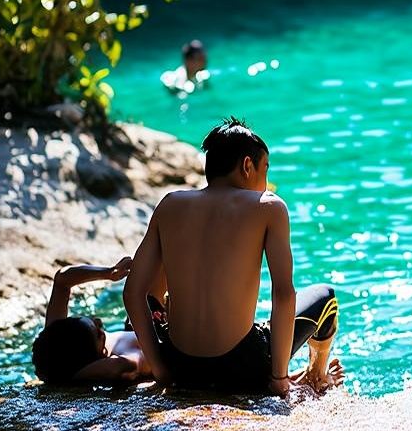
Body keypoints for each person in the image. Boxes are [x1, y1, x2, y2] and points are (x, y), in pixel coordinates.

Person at [124, 118, 344, 396]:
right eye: (265, 170)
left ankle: (309, 375)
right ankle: (317, 375)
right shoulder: (269, 207)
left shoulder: (170, 204)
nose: (265, 183)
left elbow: (133, 292)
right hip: (243, 368)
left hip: (180, 367)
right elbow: (284, 294)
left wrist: (161, 368)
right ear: (247, 166)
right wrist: (278, 378)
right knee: (326, 297)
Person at [31, 257, 166, 386]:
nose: (99, 321)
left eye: (87, 319)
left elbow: (62, 279)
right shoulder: (125, 356)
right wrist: (73, 376)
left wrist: (109, 273)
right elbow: (117, 368)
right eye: (98, 332)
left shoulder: (55, 343)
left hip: (138, 324)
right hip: (162, 335)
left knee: (160, 253)